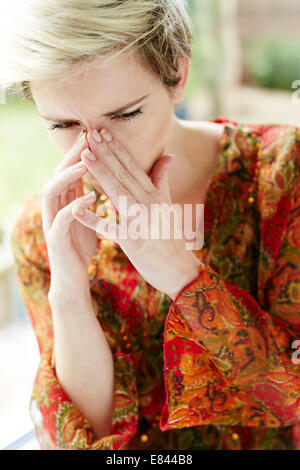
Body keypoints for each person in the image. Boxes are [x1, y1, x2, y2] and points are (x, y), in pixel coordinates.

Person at [1, 0, 299, 450]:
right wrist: (68, 291)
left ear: (177, 73)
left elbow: (289, 395)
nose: (95, 149)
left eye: (124, 114)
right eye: (63, 123)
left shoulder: (282, 174)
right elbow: (90, 433)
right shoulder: (41, 233)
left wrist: (180, 273)